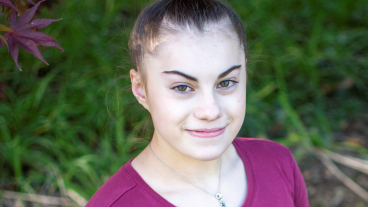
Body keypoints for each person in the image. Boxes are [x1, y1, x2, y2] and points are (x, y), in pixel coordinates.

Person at [86, 0, 309, 206]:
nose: (210, 111)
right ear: (140, 89)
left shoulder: (278, 164)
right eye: (182, 87)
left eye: (227, 82)